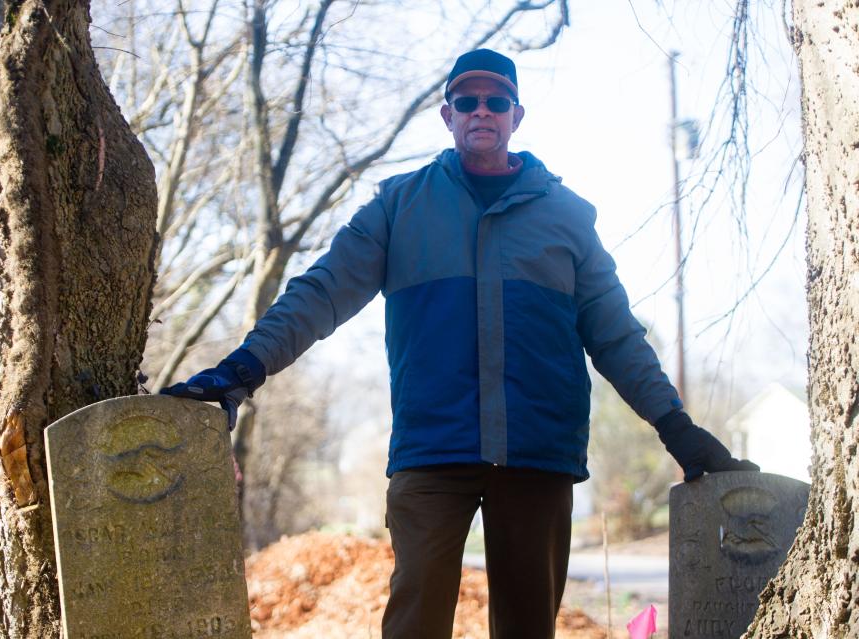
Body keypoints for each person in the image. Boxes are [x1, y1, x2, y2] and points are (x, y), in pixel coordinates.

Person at [161, 49, 758, 639]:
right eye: (467, 101)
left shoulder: (567, 217)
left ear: (515, 116)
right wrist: (243, 368)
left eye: (495, 101)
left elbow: (618, 336)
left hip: (537, 454)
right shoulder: (400, 206)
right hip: (432, 450)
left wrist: (676, 427)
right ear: (448, 116)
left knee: (528, 628)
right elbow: (319, 295)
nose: (481, 111)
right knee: (415, 618)